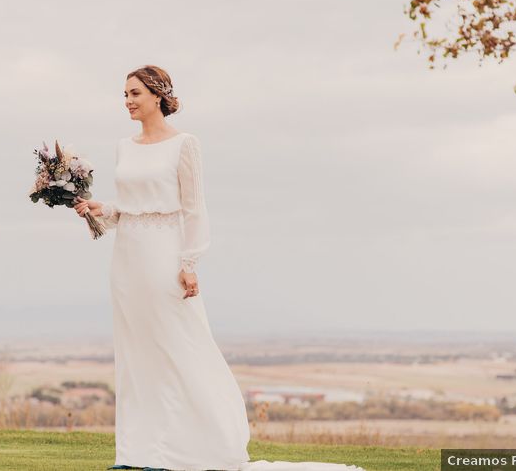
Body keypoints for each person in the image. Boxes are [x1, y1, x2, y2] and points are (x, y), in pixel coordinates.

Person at [74, 66, 362, 471]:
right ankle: (135, 453)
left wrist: (189, 262)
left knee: (175, 347)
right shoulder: (124, 146)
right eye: (124, 94)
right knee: (135, 354)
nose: (128, 101)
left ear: (158, 96)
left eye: (135, 93)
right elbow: (128, 208)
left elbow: (193, 209)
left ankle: (186, 448)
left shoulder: (184, 144)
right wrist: (99, 209)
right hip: (126, 258)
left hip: (164, 254)